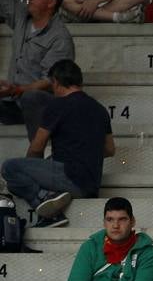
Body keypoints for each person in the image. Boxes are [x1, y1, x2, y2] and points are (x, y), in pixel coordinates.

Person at [1, 59, 113, 227]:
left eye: (52, 84)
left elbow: (37, 147)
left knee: (11, 169)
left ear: (57, 82)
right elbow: (110, 149)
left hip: (69, 178)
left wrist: (32, 168)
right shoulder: (100, 109)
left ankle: (48, 206)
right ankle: (48, 197)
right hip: (91, 185)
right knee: (16, 183)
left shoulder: (57, 105)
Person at [0, 0, 76, 139]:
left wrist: (18, 90)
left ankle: (37, 153)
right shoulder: (22, 15)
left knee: (31, 97)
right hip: (12, 102)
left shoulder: (60, 37)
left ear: (51, 2)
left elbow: (50, 81)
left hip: (39, 106)